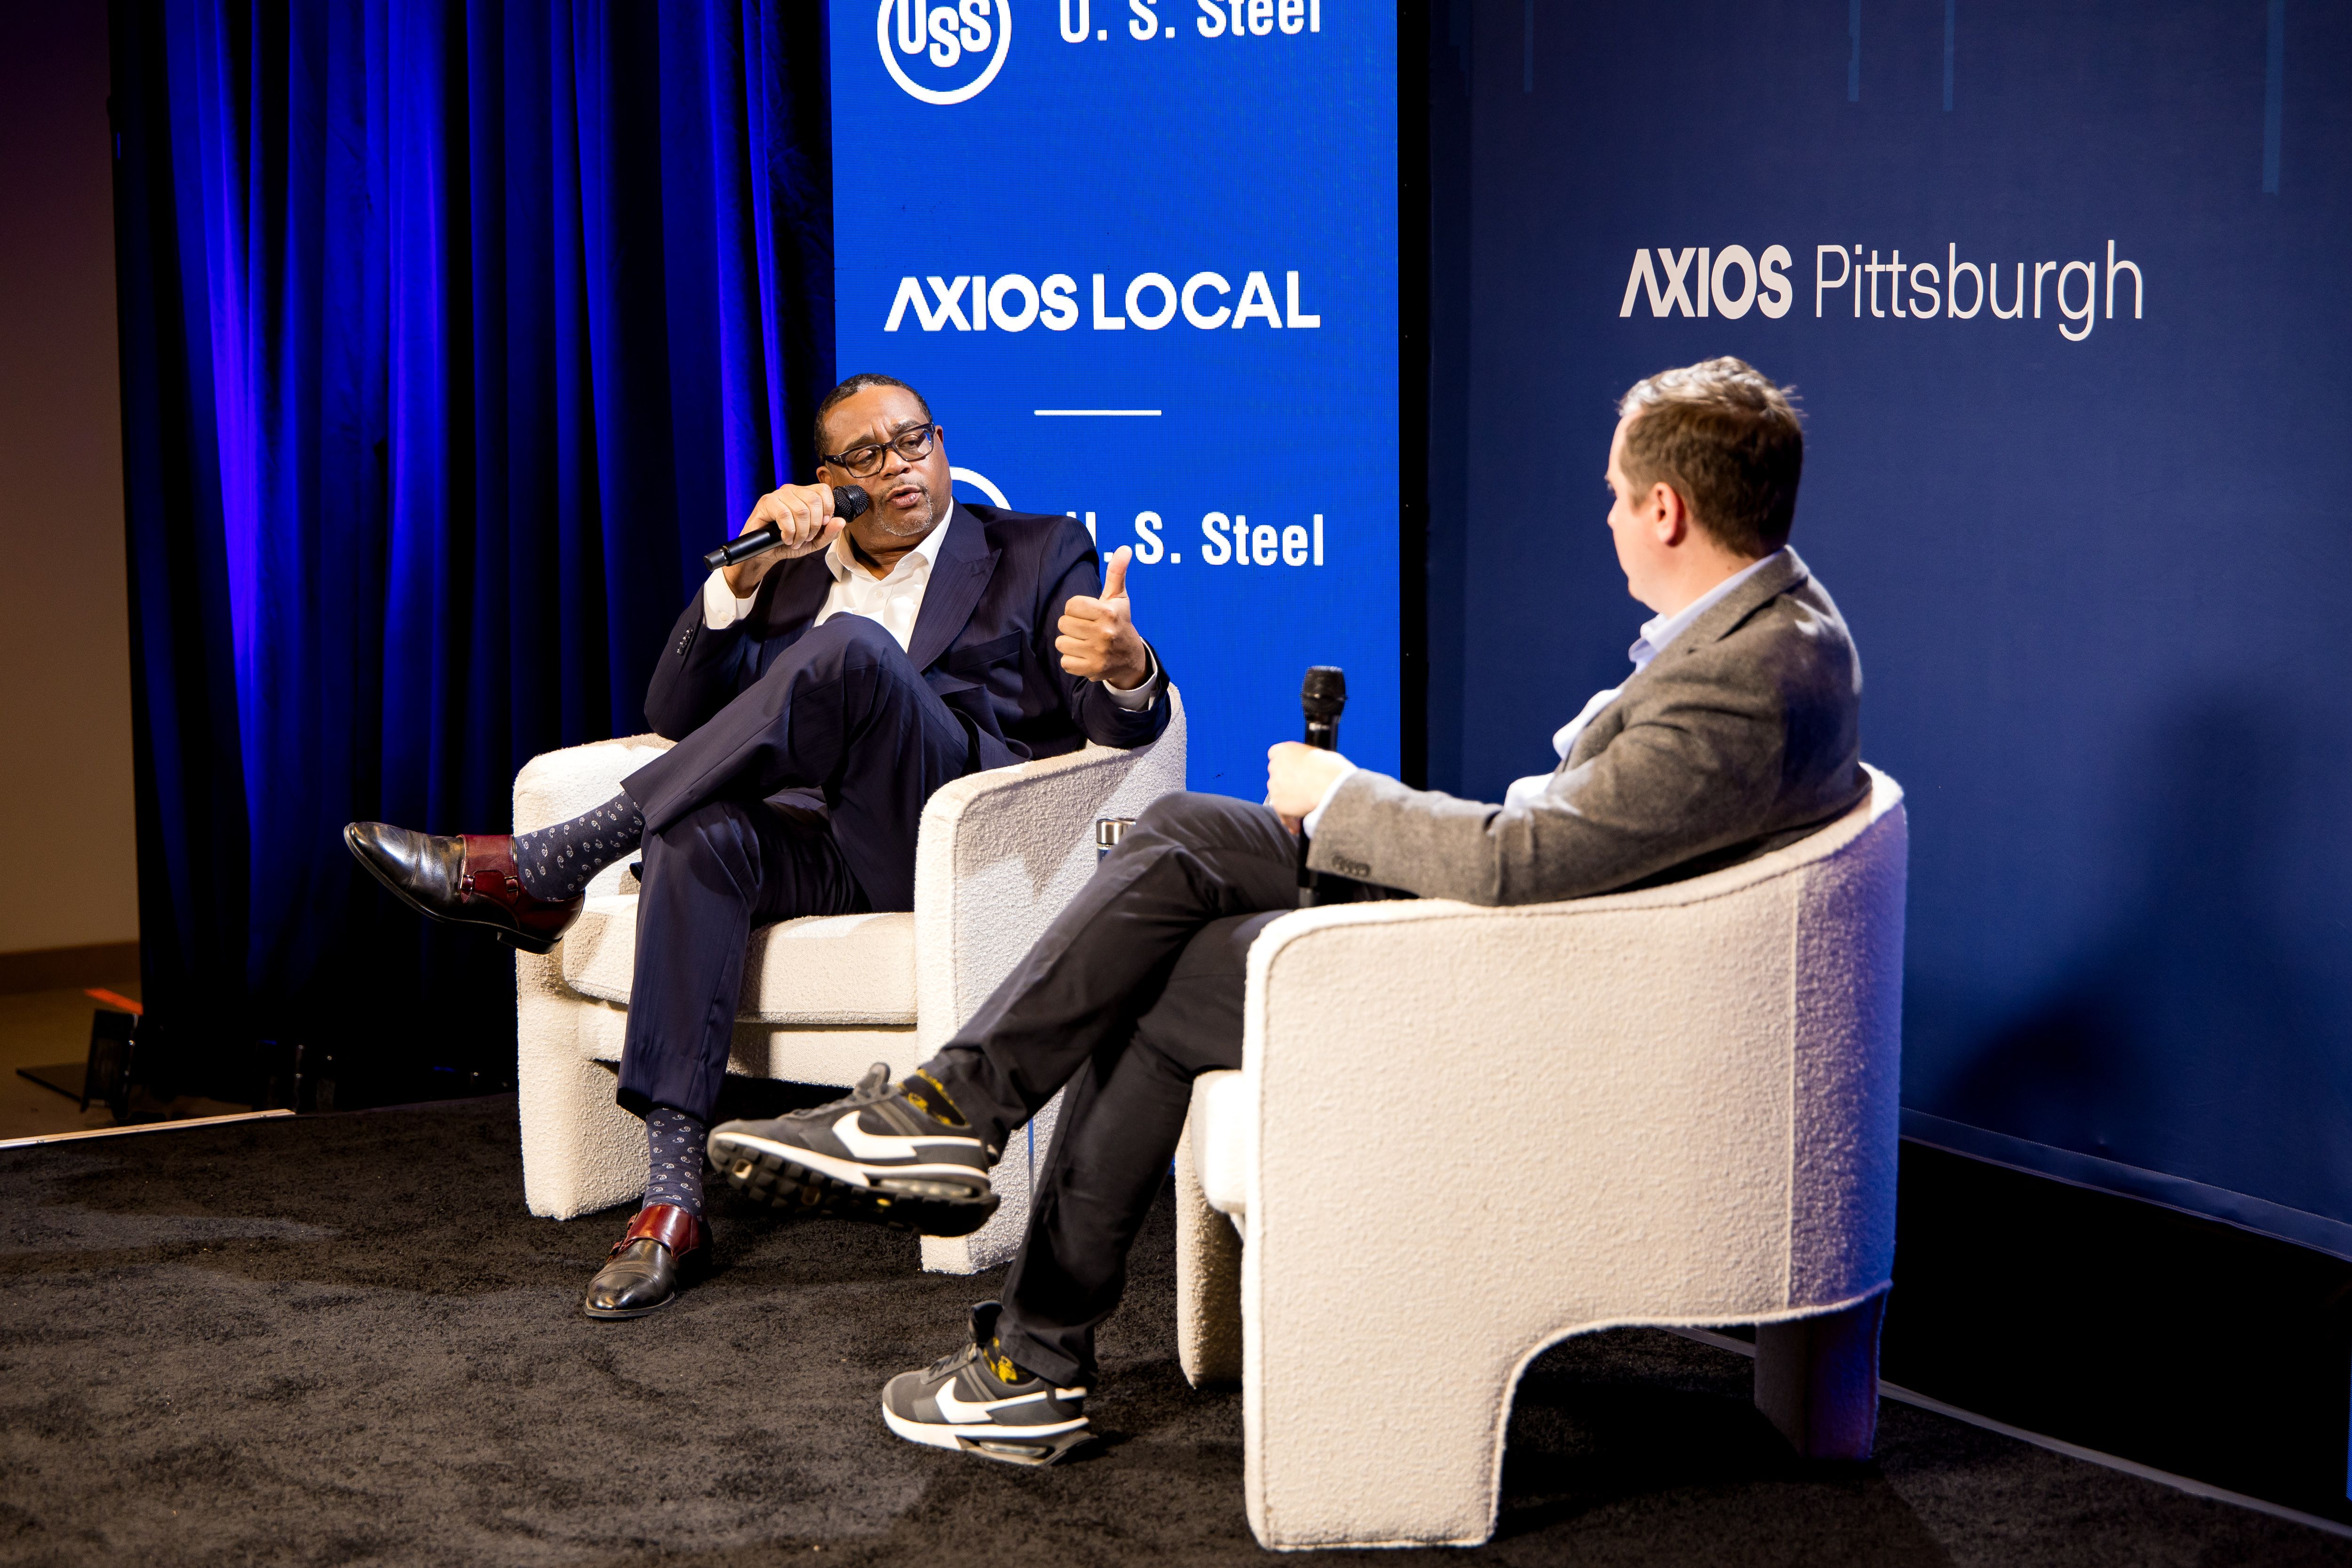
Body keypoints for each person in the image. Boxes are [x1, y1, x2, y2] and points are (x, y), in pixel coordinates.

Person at [701, 356, 1871, 1465]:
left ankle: (1018, 1317)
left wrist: (1352, 800)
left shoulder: (1744, 677)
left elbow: (1535, 864)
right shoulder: (1769, 628)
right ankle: (961, 1147)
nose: (1606, 513)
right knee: (1188, 835)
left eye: (1616, 496)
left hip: (1533, 976)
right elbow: (1579, 840)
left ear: (1666, 510)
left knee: (1158, 960)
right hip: (1548, 932)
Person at [345, 373, 1172, 1318]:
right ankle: (672, 1202)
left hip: (948, 836)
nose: (901, 466)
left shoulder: (1036, 547)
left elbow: (1119, 732)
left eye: (915, 441)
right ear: (830, 480)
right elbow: (675, 717)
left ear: (941, 444)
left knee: (852, 653)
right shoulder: (790, 573)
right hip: (814, 843)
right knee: (700, 831)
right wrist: (739, 580)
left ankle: (549, 865)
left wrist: (1128, 668)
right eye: (869, 456)